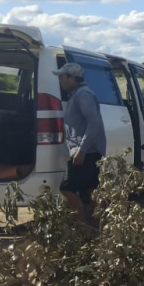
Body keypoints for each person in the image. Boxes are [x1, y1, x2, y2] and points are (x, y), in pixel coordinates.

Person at [55, 63, 105, 231]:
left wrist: (82, 150)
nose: (59, 80)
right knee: (89, 192)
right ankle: (94, 230)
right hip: (87, 152)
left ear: (71, 77)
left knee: (67, 188)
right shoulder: (77, 94)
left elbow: (94, 124)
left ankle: (83, 228)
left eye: (61, 76)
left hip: (86, 152)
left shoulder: (83, 94)